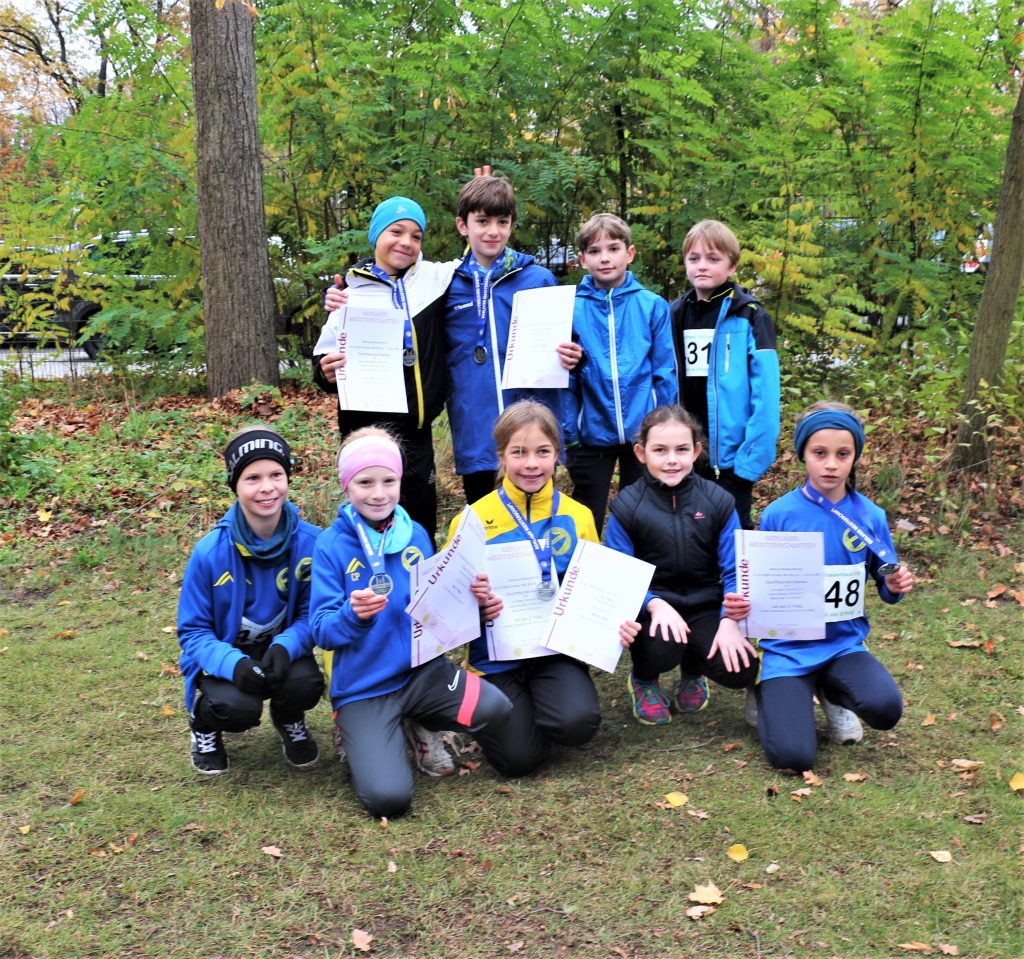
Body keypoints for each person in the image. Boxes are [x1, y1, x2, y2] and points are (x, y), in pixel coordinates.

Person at [309, 428, 512, 818]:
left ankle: (421, 724)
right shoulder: (330, 546)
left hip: (422, 673)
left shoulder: (415, 534)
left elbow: (433, 604)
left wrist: (471, 599)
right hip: (365, 687)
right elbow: (321, 629)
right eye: (365, 483)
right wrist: (352, 616)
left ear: (401, 482)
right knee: (389, 799)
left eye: (389, 481)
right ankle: (355, 732)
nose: (378, 493)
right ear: (346, 485)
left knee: (495, 708)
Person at [444, 400, 611, 777]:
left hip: (554, 653)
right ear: (501, 456)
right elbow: (446, 608)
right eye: (519, 452)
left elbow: (593, 591)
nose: (531, 464)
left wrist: (611, 624)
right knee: (518, 761)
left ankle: (543, 705)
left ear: (557, 455)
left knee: (577, 724)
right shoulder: (471, 521)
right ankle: (504, 714)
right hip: (494, 661)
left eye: (543, 452)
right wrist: (475, 608)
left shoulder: (578, 516)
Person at [753, 401, 914, 773]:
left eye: (843, 454)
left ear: (855, 456)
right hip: (788, 650)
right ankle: (771, 696)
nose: (831, 464)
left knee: (886, 709)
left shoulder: (871, 516)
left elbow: (886, 582)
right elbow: (762, 585)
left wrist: (895, 585)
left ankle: (830, 691)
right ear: (803, 454)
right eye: (819, 453)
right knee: (793, 757)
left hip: (843, 646)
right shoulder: (778, 514)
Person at [177, 427, 325, 775]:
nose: (267, 487)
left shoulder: (314, 543)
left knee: (307, 684)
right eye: (252, 478)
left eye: (276, 475)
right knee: (237, 709)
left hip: (279, 650)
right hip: (229, 653)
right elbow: (193, 632)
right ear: (235, 485)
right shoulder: (210, 553)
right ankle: (204, 724)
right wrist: (233, 664)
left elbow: (312, 613)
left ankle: (288, 716)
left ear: (288, 478)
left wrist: (287, 646)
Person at [312, 196, 459, 542]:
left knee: (420, 527)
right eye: (396, 231)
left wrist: (481, 196)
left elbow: (480, 258)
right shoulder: (348, 293)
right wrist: (324, 371)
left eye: (416, 236)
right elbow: (323, 357)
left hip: (416, 433)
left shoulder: (435, 279)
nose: (406, 242)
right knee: (369, 523)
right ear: (376, 235)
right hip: (364, 432)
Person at [604, 405, 758, 725]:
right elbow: (617, 575)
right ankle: (644, 679)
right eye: (660, 450)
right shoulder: (627, 506)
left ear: (696, 451)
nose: (672, 459)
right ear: (641, 453)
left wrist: (729, 620)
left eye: (682, 450)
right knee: (663, 647)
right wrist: (653, 603)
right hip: (654, 609)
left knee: (741, 669)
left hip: (705, 604)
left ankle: (693, 672)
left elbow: (735, 569)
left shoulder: (718, 501)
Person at [443, 174, 581, 504]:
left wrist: (575, 355)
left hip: (531, 426)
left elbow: (568, 341)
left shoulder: (538, 278)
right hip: (476, 424)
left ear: (511, 225)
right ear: (462, 225)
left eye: (502, 222)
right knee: (484, 518)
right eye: (482, 221)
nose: (493, 231)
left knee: (536, 514)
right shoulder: (446, 283)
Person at [563, 213, 677, 534]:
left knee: (641, 513)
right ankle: (582, 564)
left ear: (629, 253)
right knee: (586, 513)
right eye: (595, 251)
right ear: (582, 259)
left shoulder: (652, 306)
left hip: (643, 431)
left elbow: (664, 372)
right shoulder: (570, 307)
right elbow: (564, 379)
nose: (605, 258)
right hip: (590, 432)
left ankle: (636, 563)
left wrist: (664, 429)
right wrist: (569, 432)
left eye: (613, 249)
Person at [670, 220, 780, 530]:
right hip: (685, 456)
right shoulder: (674, 313)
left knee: (731, 537)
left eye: (713, 258)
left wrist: (749, 463)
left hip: (732, 462)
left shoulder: (750, 316)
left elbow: (767, 396)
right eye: (694, 258)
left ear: (731, 266)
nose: (702, 266)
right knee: (688, 535)